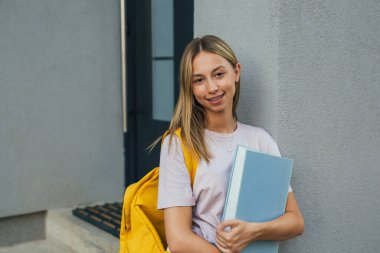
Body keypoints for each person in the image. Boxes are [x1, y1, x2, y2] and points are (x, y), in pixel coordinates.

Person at [157, 35, 304, 253]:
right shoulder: (178, 144)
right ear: (191, 88)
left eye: (219, 74)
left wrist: (254, 231)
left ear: (236, 72)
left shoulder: (260, 140)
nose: (212, 87)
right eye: (199, 80)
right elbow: (179, 239)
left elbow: (295, 222)